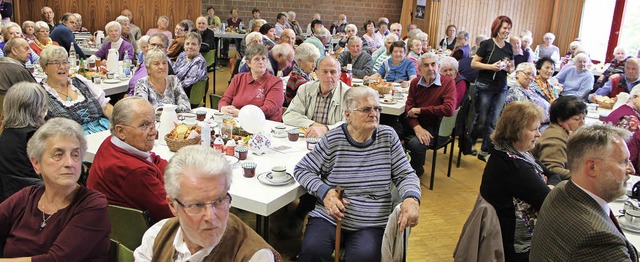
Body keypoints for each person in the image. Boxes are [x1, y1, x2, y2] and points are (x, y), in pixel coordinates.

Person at [294, 86, 421, 261]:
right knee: (312, 251)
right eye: (366, 109)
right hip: (329, 216)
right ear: (348, 115)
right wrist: (325, 192)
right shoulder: (333, 140)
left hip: (371, 222)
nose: (374, 114)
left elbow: (405, 174)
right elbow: (303, 169)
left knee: (363, 257)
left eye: (377, 108)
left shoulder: (388, 137)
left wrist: (411, 198)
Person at [134, 145, 280, 261]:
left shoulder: (253, 256)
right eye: (197, 205)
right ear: (173, 205)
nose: (211, 217)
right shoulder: (156, 237)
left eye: (219, 201)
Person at [0, 117, 110, 260]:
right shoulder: (26, 197)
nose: (69, 163)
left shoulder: (93, 205)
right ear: (36, 163)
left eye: (75, 154)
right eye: (58, 155)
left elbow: (55, 259)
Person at [530, 125, 638, 261]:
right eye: (623, 162)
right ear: (592, 167)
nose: (632, 170)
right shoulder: (599, 238)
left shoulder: (561, 190)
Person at [480, 101, 561, 261]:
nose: (539, 134)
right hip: (515, 245)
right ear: (515, 131)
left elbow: (553, 174)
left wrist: (548, 184)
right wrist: (547, 185)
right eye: (533, 129)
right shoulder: (515, 166)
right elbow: (550, 202)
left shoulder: (513, 152)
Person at [87, 97, 173, 222]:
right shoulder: (132, 170)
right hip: (135, 234)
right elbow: (171, 211)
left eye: (153, 123)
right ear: (121, 131)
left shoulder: (114, 143)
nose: (154, 131)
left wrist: (178, 174)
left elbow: (154, 160)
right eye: (144, 125)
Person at [404, 53, 457, 176]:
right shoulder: (415, 83)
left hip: (436, 127)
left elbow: (449, 109)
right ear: (420, 69)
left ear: (438, 66)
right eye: (426, 65)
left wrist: (421, 110)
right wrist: (417, 128)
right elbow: (409, 109)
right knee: (389, 132)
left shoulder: (447, 82)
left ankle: (415, 174)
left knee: (415, 144)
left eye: (433, 64)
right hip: (416, 123)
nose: (430, 68)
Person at [470, 15, 514, 161]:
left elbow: (511, 68)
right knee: (481, 119)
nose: (507, 31)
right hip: (484, 85)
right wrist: (491, 67)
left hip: (501, 87)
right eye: (504, 28)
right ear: (497, 28)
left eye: (509, 28)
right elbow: (474, 64)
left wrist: (507, 67)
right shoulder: (487, 44)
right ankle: (469, 142)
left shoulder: (508, 47)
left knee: (494, 121)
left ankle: (485, 151)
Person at [39, 46, 112, 134]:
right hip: (70, 142)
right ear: (44, 67)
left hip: (104, 131)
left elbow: (106, 107)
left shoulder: (79, 81)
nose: (62, 67)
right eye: (56, 63)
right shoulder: (40, 94)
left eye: (65, 62)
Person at [0, 82, 48, 202]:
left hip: (10, 198)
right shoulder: (37, 137)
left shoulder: (5, 134)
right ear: (38, 108)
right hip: (40, 197)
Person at [284, 56, 350, 137]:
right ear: (316, 73)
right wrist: (313, 125)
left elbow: (350, 123)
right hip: (307, 138)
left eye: (333, 72)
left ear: (339, 75)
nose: (329, 76)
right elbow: (289, 115)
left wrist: (326, 129)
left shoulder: (349, 94)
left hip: (334, 141)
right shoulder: (305, 89)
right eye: (324, 72)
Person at [219, 44, 284, 121]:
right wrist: (223, 108)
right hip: (236, 121)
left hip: (264, 124)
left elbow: (268, 109)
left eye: (263, 59)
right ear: (248, 63)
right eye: (256, 59)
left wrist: (242, 113)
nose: (261, 62)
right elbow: (224, 100)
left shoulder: (276, 83)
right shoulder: (238, 78)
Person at [531, 96, 586, 180]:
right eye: (577, 119)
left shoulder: (563, 132)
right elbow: (553, 169)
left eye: (583, 118)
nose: (582, 123)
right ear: (560, 120)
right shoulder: (555, 138)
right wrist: (583, 178)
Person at [605, 84, 640, 176]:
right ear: (635, 97)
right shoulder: (630, 119)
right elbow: (630, 153)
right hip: (621, 171)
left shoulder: (622, 110)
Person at [505, 62, 551, 130]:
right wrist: (551, 117)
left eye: (533, 76)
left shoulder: (533, 90)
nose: (530, 78)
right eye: (528, 74)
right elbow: (527, 116)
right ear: (517, 73)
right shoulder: (515, 91)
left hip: (547, 122)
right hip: (534, 127)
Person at [174, 32, 208, 101]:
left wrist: (171, 87)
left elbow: (187, 83)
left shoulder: (199, 62)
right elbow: (173, 72)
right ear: (184, 45)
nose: (190, 46)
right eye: (187, 44)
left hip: (187, 96)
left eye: (193, 44)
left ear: (199, 46)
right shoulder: (182, 55)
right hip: (177, 89)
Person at [284, 42, 319, 107]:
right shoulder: (299, 80)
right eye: (311, 61)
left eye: (315, 61)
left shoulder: (300, 75)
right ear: (300, 61)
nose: (314, 65)